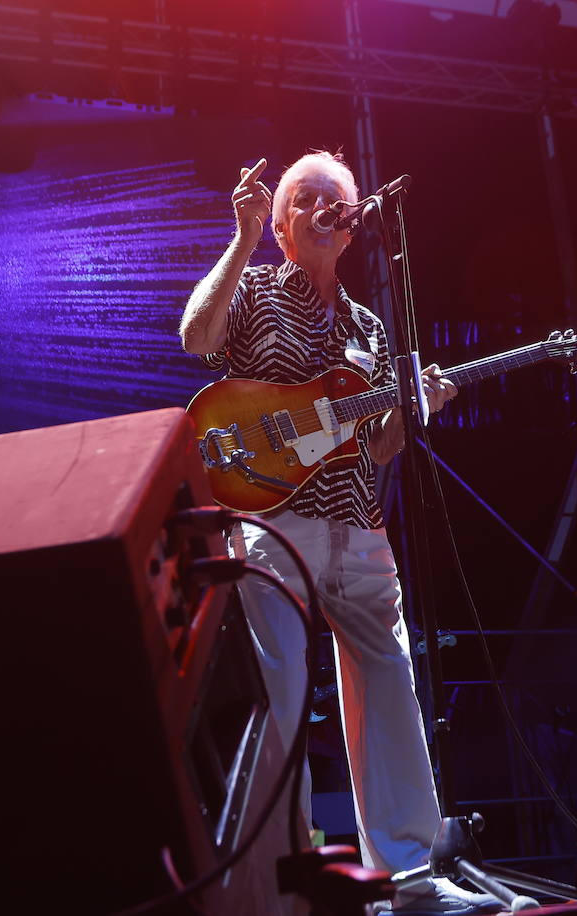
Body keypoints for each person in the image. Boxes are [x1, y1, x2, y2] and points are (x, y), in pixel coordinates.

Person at [180, 151, 498, 915]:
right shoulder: (254, 287)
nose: (326, 207)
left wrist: (416, 406)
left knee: (391, 688)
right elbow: (196, 338)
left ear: (353, 227)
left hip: (357, 527)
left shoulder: (367, 325)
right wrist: (241, 237)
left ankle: (411, 877)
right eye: (308, 199)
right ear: (284, 223)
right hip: (272, 522)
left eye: (337, 199)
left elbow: (380, 445)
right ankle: (281, 889)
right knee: (280, 702)